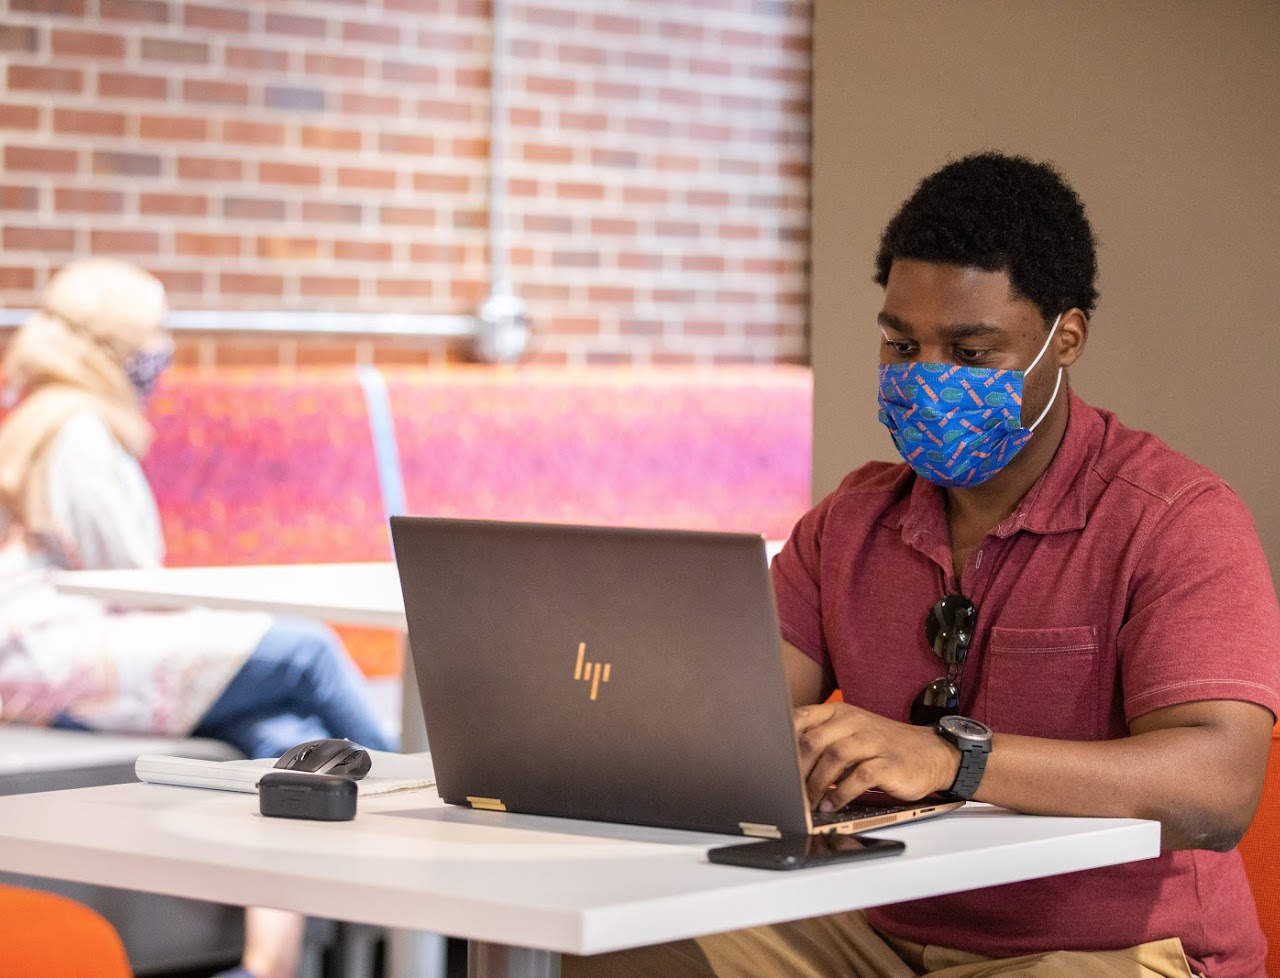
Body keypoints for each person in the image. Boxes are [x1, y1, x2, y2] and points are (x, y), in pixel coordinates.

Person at [566, 152, 1280, 978]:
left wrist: (953, 758)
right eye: (903, 344)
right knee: (614, 951)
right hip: (871, 934)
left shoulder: (1175, 519)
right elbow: (736, 719)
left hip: (1107, 949)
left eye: (972, 354)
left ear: (1067, 338)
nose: (928, 378)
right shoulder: (850, 522)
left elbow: (1220, 789)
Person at [0, 257, 395, 978]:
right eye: (151, 332)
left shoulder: (45, 413)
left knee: (290, 742)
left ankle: (265, 967)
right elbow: (127, 577)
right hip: (57, 651)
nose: (161, 350)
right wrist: (227, 630)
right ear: (111, 343)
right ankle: (417, 810)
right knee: (303, 650)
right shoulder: (77, 429)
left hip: (66, 651)